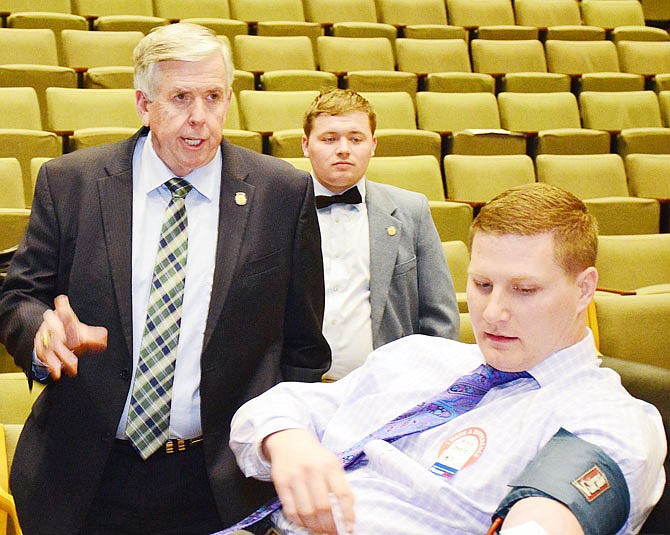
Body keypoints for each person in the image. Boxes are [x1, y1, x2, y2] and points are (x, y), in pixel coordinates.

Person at [0, 23, 331, 534]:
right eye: (180, 97)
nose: (200, 118)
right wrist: (41, 332)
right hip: (84, 478)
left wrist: (281, 441)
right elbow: (21, 296)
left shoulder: (280, 194)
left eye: (214, 97)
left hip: (220, 484)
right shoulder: (72, 183)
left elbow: (304, 349)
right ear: (143, 103)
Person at [228, 183, 666, 535]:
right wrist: (288, 443)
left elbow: (543, 521)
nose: (493, 313)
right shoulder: (417, 355)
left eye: (524, 289)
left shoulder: (607, 422)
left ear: (585, 289)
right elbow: (273, 410)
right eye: (481, 284)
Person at [302, 89, 459, 380]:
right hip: (294, 389)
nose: (343, 148)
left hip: (387, 389)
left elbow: (440, 316)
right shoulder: (276, 209)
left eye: (356, 138)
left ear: (373, 145)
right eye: (329, 138)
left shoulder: (412, 210)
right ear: (305, 145)